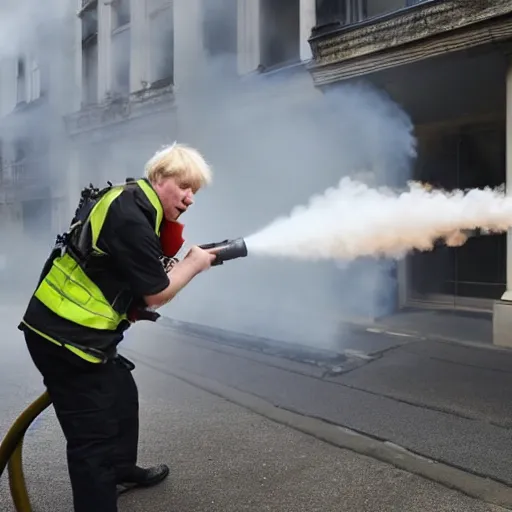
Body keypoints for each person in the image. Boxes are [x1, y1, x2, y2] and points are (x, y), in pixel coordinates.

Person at [18, 142, 217, 512]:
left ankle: (122, 470)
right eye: (185, 187)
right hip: (66, 341)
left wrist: (130, 305)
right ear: (159, 177)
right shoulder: (131, 216)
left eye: (195, 192)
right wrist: (194, 263)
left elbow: (113, 272)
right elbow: (157, 292)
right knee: (93, 444)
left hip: (78, 334)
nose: (190, 199)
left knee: (122, 391)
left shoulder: (131, 203)